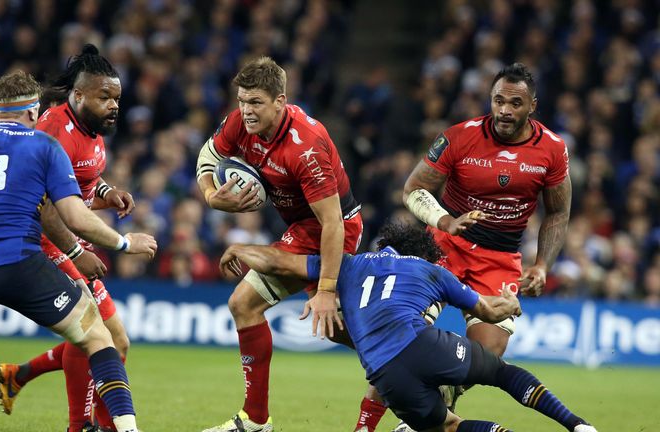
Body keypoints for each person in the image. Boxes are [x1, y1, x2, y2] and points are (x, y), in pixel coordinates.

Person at [0, 70, 157, 432]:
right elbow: (75, 217)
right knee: (99, 337)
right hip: (23, 265)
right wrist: (124, 243)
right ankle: (125, 428)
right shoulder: (45, 145)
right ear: (33, 111)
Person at [217, 222, 598, 432]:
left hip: (385, 375)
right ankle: (577, 425)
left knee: (449, 427)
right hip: (422, 345)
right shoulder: (431, 269)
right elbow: (488, 310)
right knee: (501, 373)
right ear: (425, 252)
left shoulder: (347, 265)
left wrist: (240, 251)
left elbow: (279, 262)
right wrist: (512, 303)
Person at [195, 56, 385, 432]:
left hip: (335, 229)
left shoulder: (306, 147)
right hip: (300, 227)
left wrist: (326, 290)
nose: (246, 111)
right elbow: (208, 155)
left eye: (256, 102)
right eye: (242, 101)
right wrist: (211, 196)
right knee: (326, 325)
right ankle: (402, 350)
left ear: (280, 101)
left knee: (258, 306)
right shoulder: (240, 123)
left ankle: (406, 357)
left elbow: (332, 222)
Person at [398, 63, 572, 431]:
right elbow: (413, 189)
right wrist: (446, 221)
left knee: (488, 351)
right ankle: (379, 420)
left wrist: (542, 265)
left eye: (515, 103)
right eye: (498, 100)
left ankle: (430, 410)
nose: (505, 110)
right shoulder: (459, 137)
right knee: (406, 334)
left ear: (533, 106)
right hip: (445, 246)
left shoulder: (553, 149)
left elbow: (558, 213)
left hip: (499, 258)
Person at [0, 44, 136, 432]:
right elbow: (43, 205)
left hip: (68, 238)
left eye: (117, 98)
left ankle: (20, 375)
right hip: (43, 241)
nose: (114, 106)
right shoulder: (55, 131)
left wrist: (106, 192)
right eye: (105, 97)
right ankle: (82, 426)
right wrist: (74, 252)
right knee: (91, 333)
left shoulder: (91, 128)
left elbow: (82, 179)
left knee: (115, 341)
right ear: (78, 94)